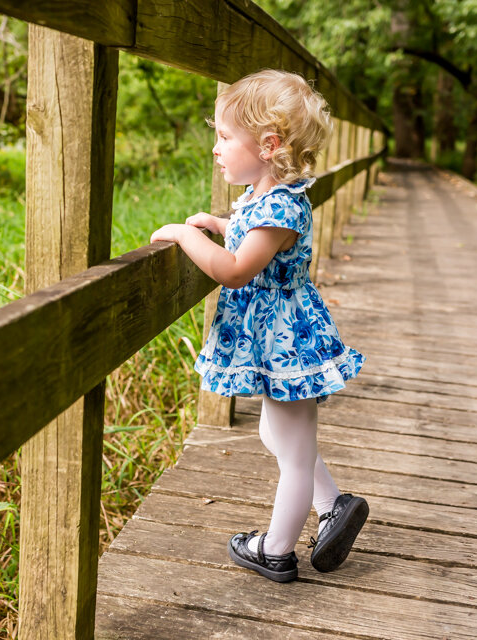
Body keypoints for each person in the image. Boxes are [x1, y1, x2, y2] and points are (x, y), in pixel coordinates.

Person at [150, 69, 368, 583]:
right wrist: (222, 225)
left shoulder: (280, 206)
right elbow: (254, 240)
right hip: (280, 338)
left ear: (268, 145)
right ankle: (333, 503)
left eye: (225, 138)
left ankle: (275, 550)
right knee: (277, 433)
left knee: (292, 452)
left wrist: (187, 236)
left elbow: (236, 268)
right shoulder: (265, 199)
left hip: (286, 340)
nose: (216, 149)